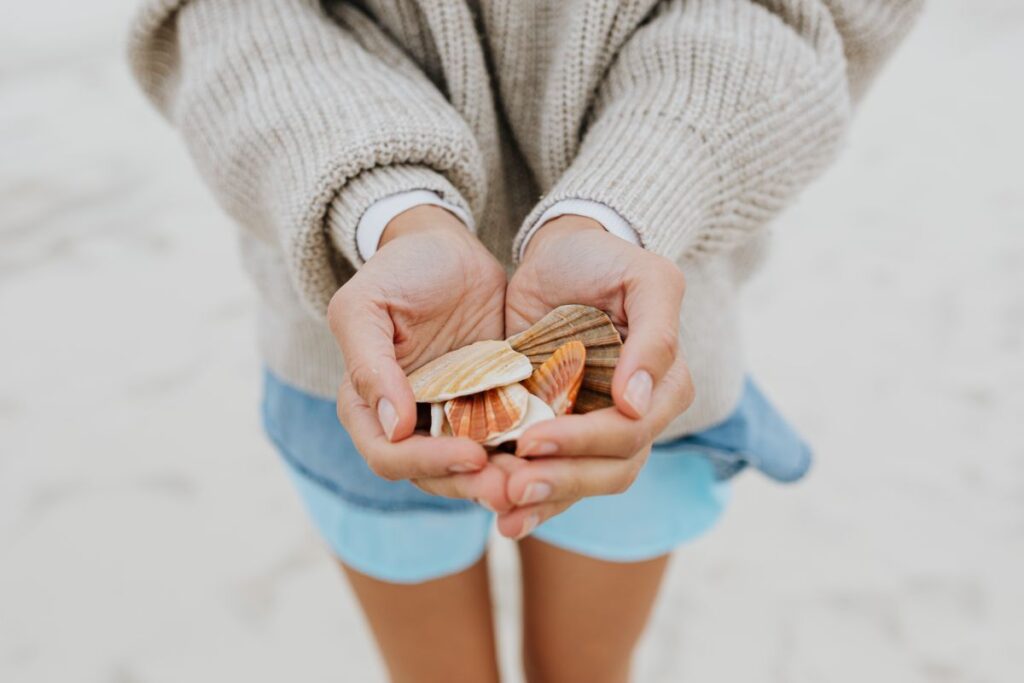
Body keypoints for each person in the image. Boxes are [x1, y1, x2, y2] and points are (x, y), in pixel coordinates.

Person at [129, 1, 921, 680]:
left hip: (630, 343)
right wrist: (389, 207)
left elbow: (804, 17)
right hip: (369, 347)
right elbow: (229, 20)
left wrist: (625, 203)